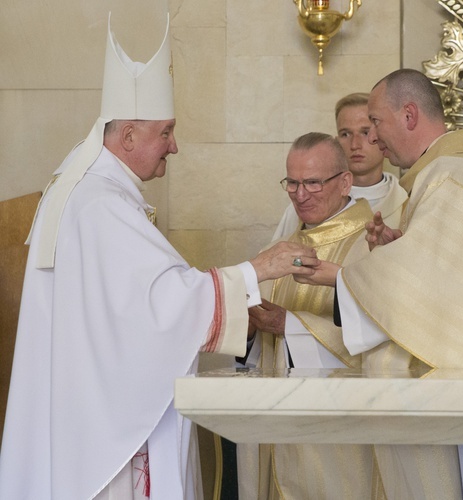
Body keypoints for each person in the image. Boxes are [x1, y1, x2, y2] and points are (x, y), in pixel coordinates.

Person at [0, 16, 316, 500]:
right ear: (127, 136)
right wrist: (259, 269)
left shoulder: (86, 188)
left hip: (84, 409)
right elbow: (160, 307)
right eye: (166, 132)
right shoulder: (102, 203)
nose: (175, 145)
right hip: (105, 430)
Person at [299, 68, 463, 499]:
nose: (375, 139)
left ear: (409, 115)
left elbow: (432, 278)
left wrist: (343, 276)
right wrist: (398, 248)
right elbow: (450, 276)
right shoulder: (457, 172)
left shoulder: (451, 176)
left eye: (377, 123)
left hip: (459, 388)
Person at [237, 132, 382, 500]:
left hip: (339, 440)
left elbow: (383, 341)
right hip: (278, 431)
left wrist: (291, 327)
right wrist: (250, 329)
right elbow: (253, 352)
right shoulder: (278, 250)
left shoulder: (373, 248)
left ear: (345, 182)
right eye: (292, 183)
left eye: (313, 183)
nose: (300, 195)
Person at [271, 92, 406, 241]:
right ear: (336, 142)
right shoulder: (304, 205)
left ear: (380, 136)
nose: (355, 144)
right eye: (345, 134)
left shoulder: (406, 202)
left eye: (365, 132)